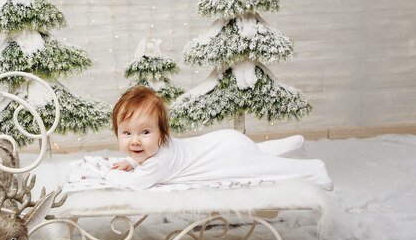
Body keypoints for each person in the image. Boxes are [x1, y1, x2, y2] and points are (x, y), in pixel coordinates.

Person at [104, 85, 333, 190]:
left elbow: (136, 183)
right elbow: (143, 155)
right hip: (225, 141)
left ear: (162, 134)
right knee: (256, 153)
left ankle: (314, 169)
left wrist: (112, 174)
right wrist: (131, 161)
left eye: (145, 132)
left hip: (225, 155)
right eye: (127, 133)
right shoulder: (156, 149)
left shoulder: (158, 162)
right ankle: (292, 142)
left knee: (261, 168)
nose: (135, 141)